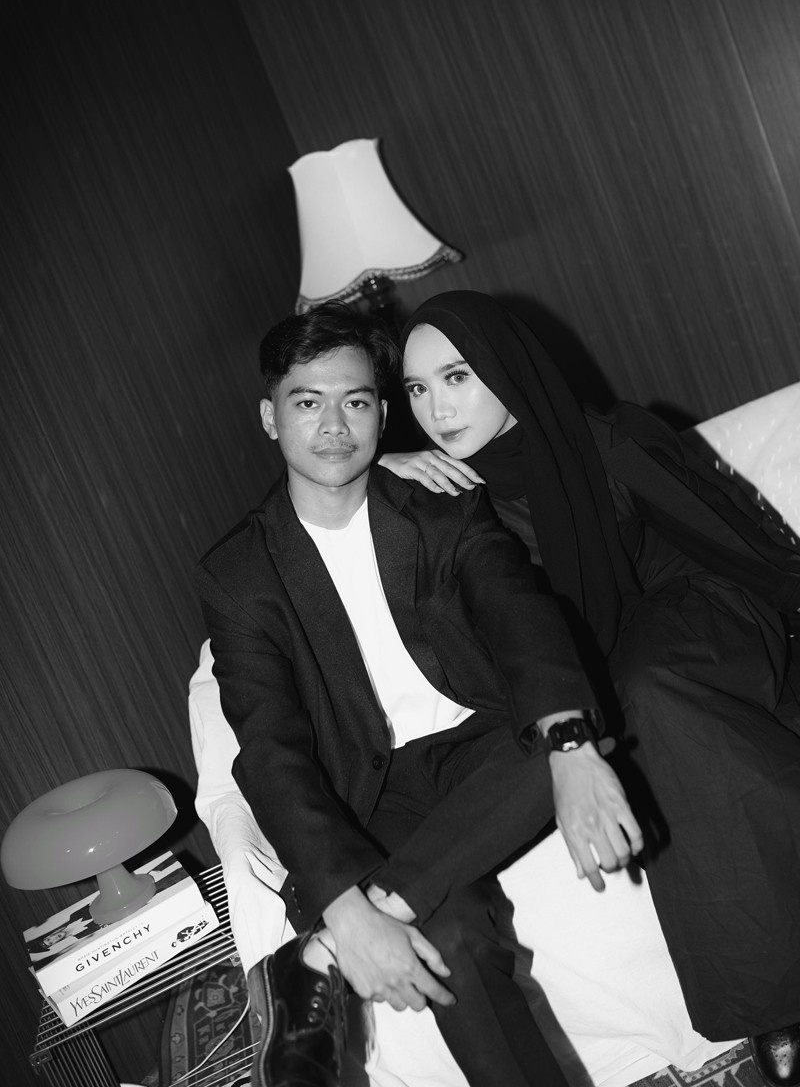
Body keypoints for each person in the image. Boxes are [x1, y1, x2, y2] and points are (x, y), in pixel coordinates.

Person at [195, 303, 642, 1087]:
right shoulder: (238, 575)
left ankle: (318, 960)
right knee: (454, 940)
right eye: (308, 402)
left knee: (572, 736)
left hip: (486, 749)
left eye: (356, 401)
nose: (335, 426)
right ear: (270, 418)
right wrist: (346, 902)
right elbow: (269, 748)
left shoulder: (441, 507)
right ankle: (370, 923)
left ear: (382, 413)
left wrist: (569, 743)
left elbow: (522, 616)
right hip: (377, 791)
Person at [388, 288, 800, 1087]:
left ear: (506, 366)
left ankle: (778, 1002)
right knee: (617, 706)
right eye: (416, 389)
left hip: (704, 608)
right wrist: (380, 467)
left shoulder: (609, 439)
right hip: (604, 662)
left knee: (646, 688)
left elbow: (730, 539)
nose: (436, 408)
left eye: (458, 376)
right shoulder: (446, 503)